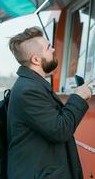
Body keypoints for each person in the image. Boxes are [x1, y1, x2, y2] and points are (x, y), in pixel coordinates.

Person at [7, 27, 92, 179]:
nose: (53, 49)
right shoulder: (28, 90)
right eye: (48, 47)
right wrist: (78, 98)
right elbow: (60, 130)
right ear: (35, 59)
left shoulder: (32, 85)